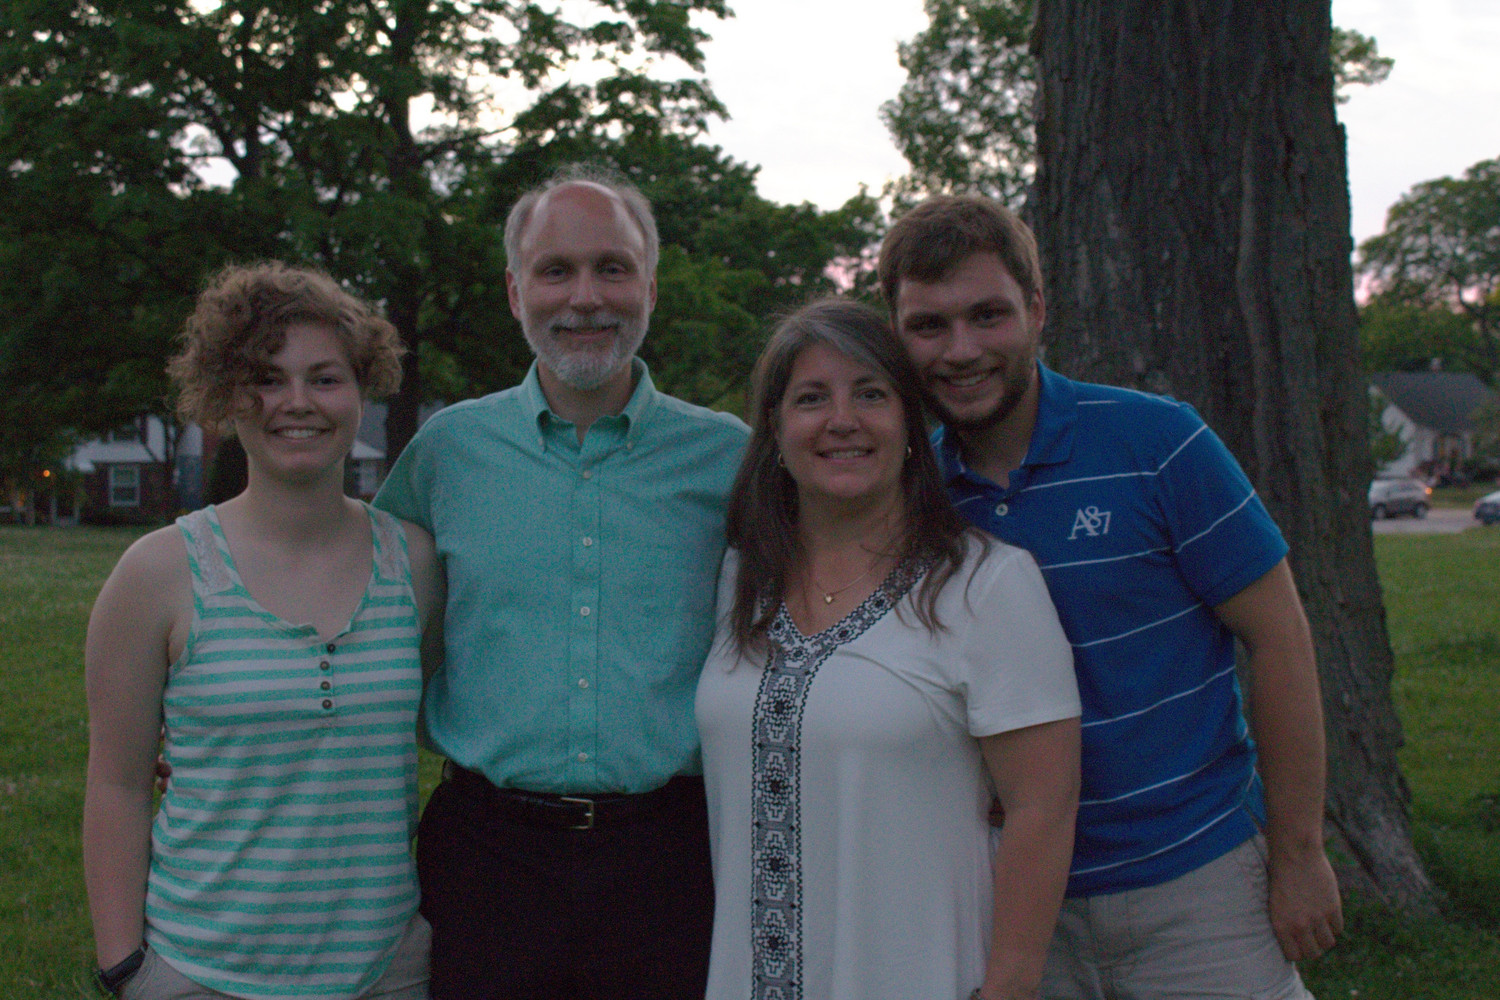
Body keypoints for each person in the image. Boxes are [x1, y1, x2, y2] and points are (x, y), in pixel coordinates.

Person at [878, 194, 1343, 999]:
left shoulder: (1159, 442)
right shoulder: (909, 497)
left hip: (1197, 884)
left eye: (988, 315)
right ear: (896, 333)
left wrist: (1300, 851)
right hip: (1014, 902)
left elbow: (1279, 637)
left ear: (1036, 309)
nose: (962, 350)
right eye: (929, 325)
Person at [373, 164, 749, 998]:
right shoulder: (447, 455)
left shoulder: (730, 459)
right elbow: (356, 610)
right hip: (488, 860)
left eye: (612, 268)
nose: (585, 297)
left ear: (650, 288)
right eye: (556, 271)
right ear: (517, 293)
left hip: (672, 859)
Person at [695, 297, 1082, 1000]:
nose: (842, 420)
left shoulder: (985, 586)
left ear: (910, 423)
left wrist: (1009, 987)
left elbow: (1042, 809)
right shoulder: (740, 582)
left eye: (870, 394)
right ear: (775, 428)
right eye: (812, 398)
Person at [82, 262, 443, 999]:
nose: (296, 403)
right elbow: (116, 785)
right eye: (267, 379)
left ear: (362, 388)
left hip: (387, 970)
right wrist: (127, 969)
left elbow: (447, 731)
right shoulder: (157, 573)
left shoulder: (414, 562)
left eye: (325, 378)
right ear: (224, 395)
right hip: (201, 971)